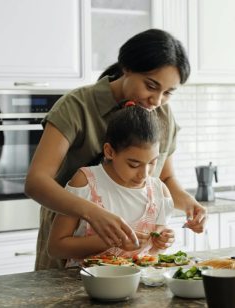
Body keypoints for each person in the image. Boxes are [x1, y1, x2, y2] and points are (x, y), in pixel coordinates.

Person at [25, 28, 208, 270]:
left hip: (131, 260)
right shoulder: (77, 106)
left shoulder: (161, 113)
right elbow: (36, 182)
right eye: (151, 86)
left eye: (168, 93)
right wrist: (93, 213)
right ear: (127, 68)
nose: (157, 100)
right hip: (71, 241)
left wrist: (188, 203)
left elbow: (164, 177)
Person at [48, 101, 174, 266]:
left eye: (152, 163)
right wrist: (112, 240)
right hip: (85, 284)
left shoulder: (159, 192)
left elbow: (152, 254)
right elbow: (56, 248)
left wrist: (162, 242)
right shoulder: (86, 182)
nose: (144, 174)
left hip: (138, 285)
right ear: (109, 151)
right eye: (134, 165)